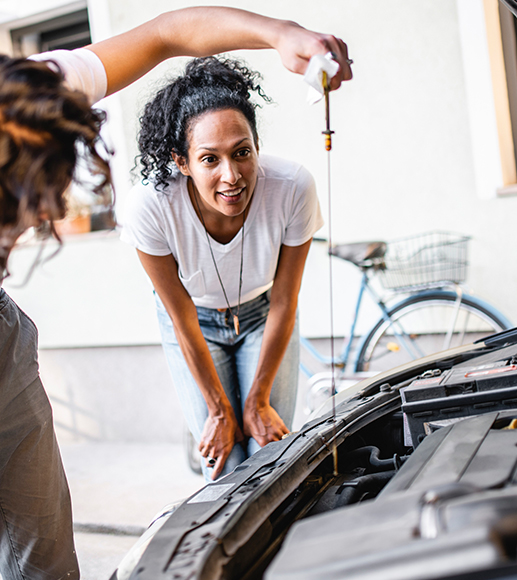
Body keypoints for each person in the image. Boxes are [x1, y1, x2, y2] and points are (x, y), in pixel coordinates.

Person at [0, 7, 351, 580]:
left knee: (48, 563)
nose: (53, 210)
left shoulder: (25, 102)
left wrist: (283, 36)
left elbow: (165, 36)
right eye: (30, 199)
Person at [121, 56, 326, 481]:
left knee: (269, 453)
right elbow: (180, 318)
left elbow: (286, 301)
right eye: (209, 159)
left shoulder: (292, 189)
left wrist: (257, 403)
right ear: (182, 162)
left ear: (256, 145)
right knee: (224, 463)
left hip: (264, 315)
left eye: (242, 153)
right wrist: (218, 410)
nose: (231, 176)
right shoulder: (150, 207)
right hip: (193, 322)